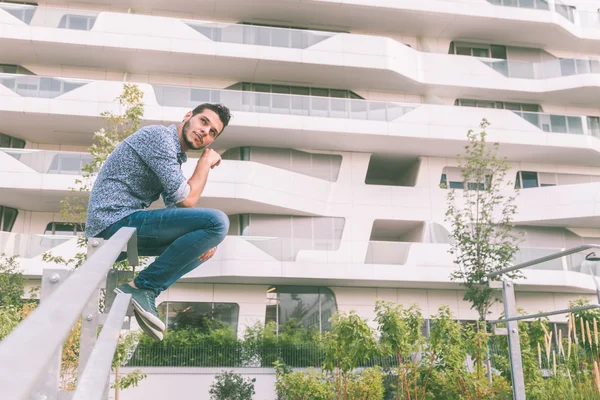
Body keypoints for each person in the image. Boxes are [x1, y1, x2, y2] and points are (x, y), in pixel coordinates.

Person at [85, 103, 232, 341]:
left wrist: (203, 239)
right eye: (203, 122)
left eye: (213, 132)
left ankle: (144, 290)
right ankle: (141, 288)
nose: (206, 132)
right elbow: (187, 200)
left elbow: (175, 203)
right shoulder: (159, 138)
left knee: (202, 245)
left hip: (123, 228)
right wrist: (204, 163)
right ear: (188, 117)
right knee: (218, 222)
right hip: (112, 224)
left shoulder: (174, 155)